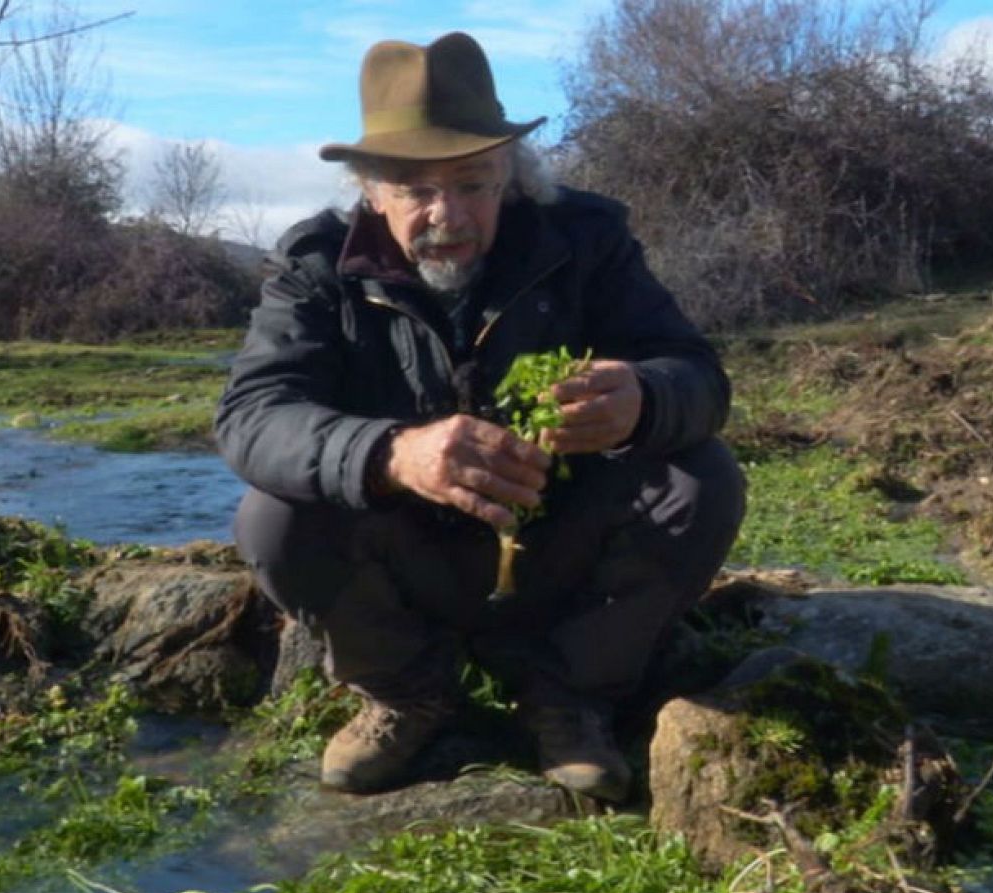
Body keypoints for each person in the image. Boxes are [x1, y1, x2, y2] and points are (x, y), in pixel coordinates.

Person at [215, 32, 745, 803]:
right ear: (372, 191)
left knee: (703, 480)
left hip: (557, 548)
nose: (447, 214)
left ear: (511, 178)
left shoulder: (586, 242)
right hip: (409, 554)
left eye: (471, 183)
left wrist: (645, 398)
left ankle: (569, 693)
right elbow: (254, 417)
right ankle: (407, 693)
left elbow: (700, 376)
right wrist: (391, 453)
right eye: (416, 189)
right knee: (272, 519)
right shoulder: (313, 271)